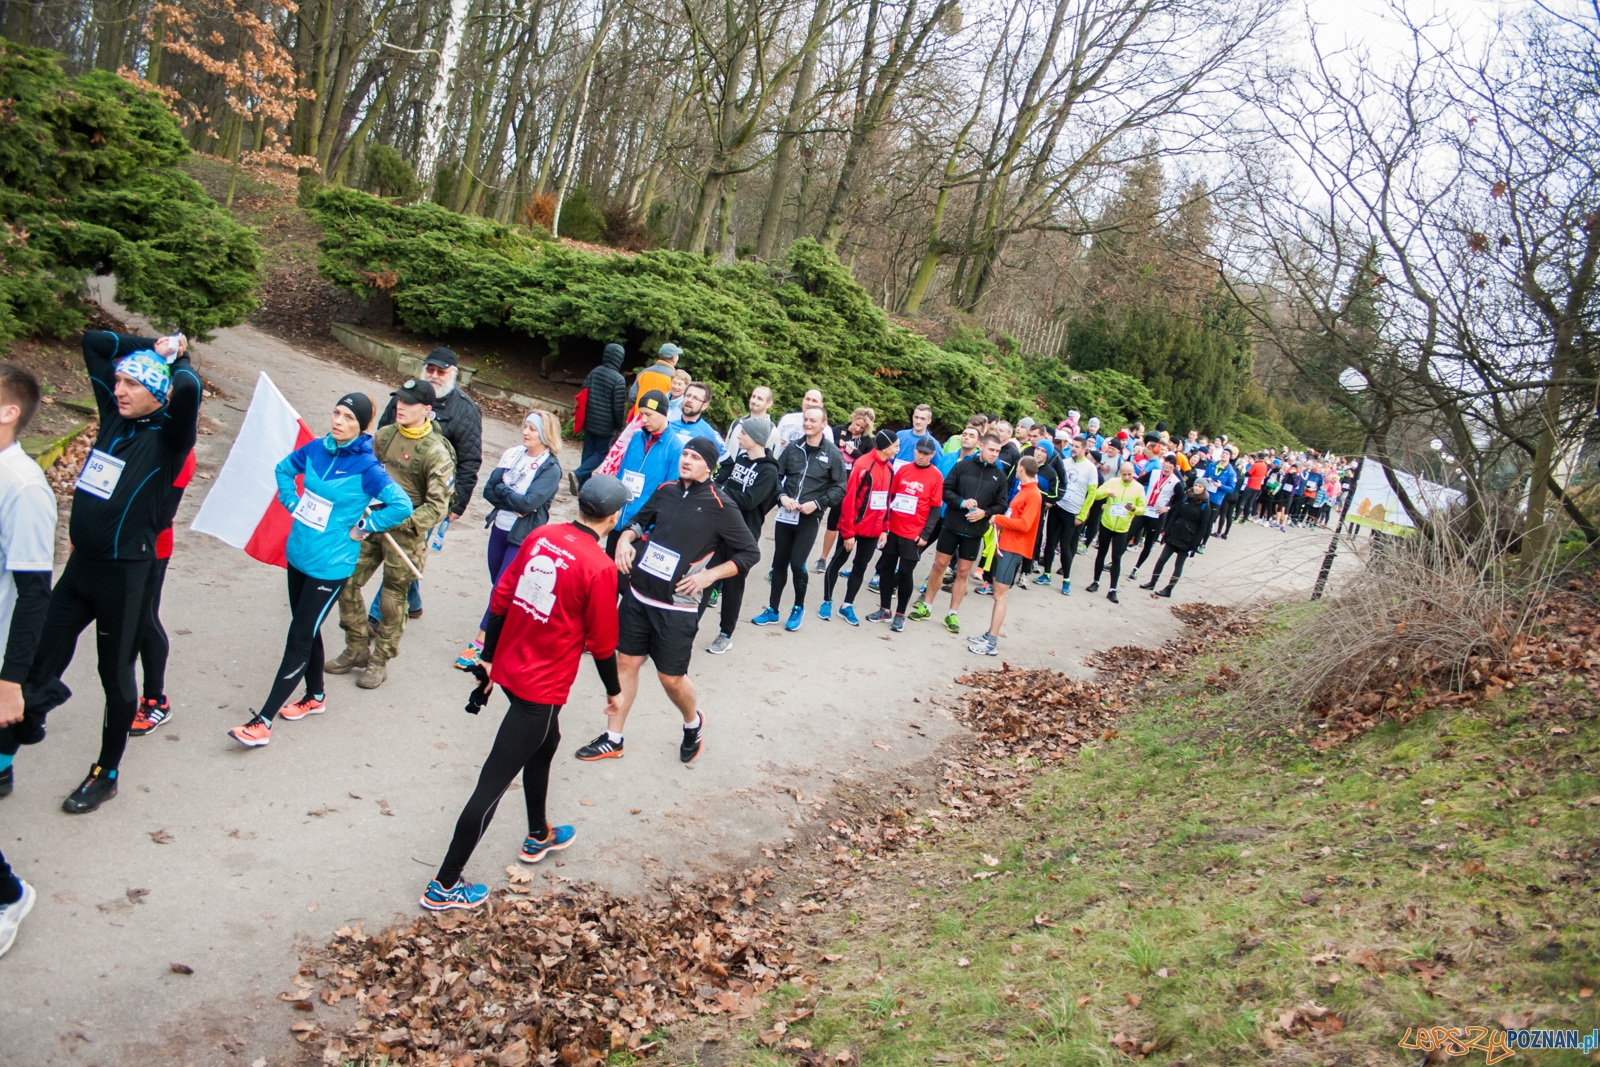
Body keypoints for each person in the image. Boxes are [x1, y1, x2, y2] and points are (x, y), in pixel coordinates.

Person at [421, 475, 631, 911]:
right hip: (541, 688)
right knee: (492, 785)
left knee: (546, 743)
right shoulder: (599, 567)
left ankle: (538, 835)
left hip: (513, 668)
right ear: (615, 517)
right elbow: (603, 644)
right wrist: (615, 693)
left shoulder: (542, 534)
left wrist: (490, 658)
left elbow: (500, 598)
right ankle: (444, 884)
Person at [24, 330, 196, 813]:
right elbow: (95, 343)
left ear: (156, 393)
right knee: (41, 655)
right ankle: (11, 744)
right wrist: (147, 342)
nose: (118, 389)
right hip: (82, 568)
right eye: (117, 381)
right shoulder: (112, 421)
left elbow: (188, 390)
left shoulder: (168, 439)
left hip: (126, 574)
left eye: (131, 384)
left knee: (114, 673)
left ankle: (106, 772)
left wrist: (175, 357)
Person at [227, 393, 416, 747]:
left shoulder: (367, 467)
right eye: (336, 413)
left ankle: (263, 721)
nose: (338, 421)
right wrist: (290, 500)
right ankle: (315, 696)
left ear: (361, 425)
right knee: (307, 628)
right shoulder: (316, 449)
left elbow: (401, 505)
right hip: (298, 554)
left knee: (299, 636)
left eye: (348, 417)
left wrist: (364, 527)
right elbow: (284, 470)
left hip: (330, 566)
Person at [576, 439, 760, 762]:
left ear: (710, 466)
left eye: (695, 457)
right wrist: (626, 541)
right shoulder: (666, 490)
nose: (686, 460)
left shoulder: (722, 505)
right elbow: (637, 521)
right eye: (685, 454)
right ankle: (613, 737)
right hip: (638, 595)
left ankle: (693, 723)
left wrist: (708, 576)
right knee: (625, 662)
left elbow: (750, 553)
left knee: (670, 678)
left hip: (676, 606)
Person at [331, 378, 456, 689]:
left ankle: (379, 660)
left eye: (409, 402)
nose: (400, 406)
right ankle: (357, 647)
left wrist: (400, 521)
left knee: (392, 600)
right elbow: (362, 472)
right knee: (345, 581)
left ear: (427, 410)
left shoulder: (437, 453)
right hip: (372, 524)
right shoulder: (384, 436)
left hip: (405, 534)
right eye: (399, 399)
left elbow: (438, 506)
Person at [0, 365, 55, 950]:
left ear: (8, 411)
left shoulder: (23, 487)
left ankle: (9, 896)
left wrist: (12, 681)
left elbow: (35, 593)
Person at [376, 347, 482, 619]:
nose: (434, 375)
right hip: (390, 490)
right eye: (430, 369)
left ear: (454, 374)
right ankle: (413, 602)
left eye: (441, 371)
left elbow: (469, 461)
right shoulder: (405, 397)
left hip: (428, 500)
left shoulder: (466, 410)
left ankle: (375, 617)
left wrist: (456, 504)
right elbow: (382, 435)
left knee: (401, 556)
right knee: (406, 554)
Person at [454, 410, 563, 670]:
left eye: (532, 429)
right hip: (500, 527)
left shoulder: (551, 468)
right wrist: (508, 495)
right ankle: (519, 630)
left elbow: (530, 502)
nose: (525, 432)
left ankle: (480, 645)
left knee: (501, 587)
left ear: (546, 435)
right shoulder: (513, 454)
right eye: (525, 426)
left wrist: (505, 492)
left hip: (523, 535)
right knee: (502, 584)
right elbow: (489, 490)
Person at [753, 407, 846, 632]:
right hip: (786, 514)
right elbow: (777, 476)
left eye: (813, 420)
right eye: (805, 419)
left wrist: (817, 503)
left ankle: (798, 607)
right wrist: (782, 496)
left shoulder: (832, 453)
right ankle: (773, 610)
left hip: (809, 516)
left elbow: (841, 487)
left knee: (797, 563)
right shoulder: (793, 448)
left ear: (824, 424)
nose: (807, 423)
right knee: (778, 563)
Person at [127, 447, 195, 736]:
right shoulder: (136, 434)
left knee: (144, 619)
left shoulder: (180, 452)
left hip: (150, 546)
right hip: (115, 541)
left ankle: (156, 700)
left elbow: (162, 511)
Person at [910, 433, 1006, 634]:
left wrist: (985, 513)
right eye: (991, 450)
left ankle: (952, 613)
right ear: (981, 447)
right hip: (951, 525)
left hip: (974, 532)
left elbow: (1001, 505)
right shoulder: (963, 466)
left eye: (997, 451)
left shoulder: (1000, 475)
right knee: (939, 565)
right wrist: (961, 502)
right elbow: (946, 490)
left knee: (962, 573)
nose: (994, 455)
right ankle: (926, 606)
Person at [706, 417, 779, 654]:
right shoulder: (741, 458)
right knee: (705, 577)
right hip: (720, 529)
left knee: (733, 586)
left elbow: (750, 501)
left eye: (743, 434)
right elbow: (731, 487)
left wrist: (720, 491)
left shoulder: (769, 470)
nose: (738, 437)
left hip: (743, 537)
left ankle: (725, 634)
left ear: (755, 438)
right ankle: (687, 628)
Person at [820, 428, 896, 626]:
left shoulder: (889, 469)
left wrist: (884, 528)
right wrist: (847, 533)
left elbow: (887, 501)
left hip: (873, 530)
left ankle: (847, 605)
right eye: (895, 446)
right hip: (852, 528)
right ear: (886, 446)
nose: (897, 450)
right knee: (837, 562)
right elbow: (849, 499)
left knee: (860, 567)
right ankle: (826, 601)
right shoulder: (863, 464)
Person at [866, 435, 943, 630]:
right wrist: (885, 525)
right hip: (894, 528)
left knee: (906, 573)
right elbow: (890, 496)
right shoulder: (904, 470)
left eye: (926, 454)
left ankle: (900, 613)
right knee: (886, 569)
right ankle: (884, 609)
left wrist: (925, 534)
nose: (921, 456)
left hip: (914, 533)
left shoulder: (935, 476)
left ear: (932, 455)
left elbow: (935, 509)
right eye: (919, 452)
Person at [969, 456, 1040, 656]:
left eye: (1018, 468)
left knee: (999, 595)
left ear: (1022, 469)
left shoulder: (1033, 494)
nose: (1016, 470)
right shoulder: (1025, 491)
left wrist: (998, 518)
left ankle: (992, 642)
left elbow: (1025, 525)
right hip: (1006, 545)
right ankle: (989, 635)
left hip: (1014, 548)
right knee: (997, 594)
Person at [614, 390, 690, 539]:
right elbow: (621, 472)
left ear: (663, 413)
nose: (643, 419)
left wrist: (652, 528)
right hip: (617, 518)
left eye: (648, 414)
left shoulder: (676, 448)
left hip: (642, 527)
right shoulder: (636, 438)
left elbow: (671, 493)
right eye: (641, 414)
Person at [1034, 433, 1095, 592]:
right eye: (1072, 446)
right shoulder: (1065, 463)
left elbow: (1092, 493)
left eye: (1077, 447)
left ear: (1085, 449)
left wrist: (1082, 515)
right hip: (1057, 507)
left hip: (1073, 512)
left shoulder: (1090, 468)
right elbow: (1056, 483)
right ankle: (1046, 574)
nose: (1073, 449)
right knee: (1050, 542)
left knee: (1065, 546)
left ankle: (1066, 580)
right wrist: (1051, 501)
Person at [1078, 461, 1145, 604]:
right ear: (1120, 473)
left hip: (1122, 528)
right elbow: (1096, 494)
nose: (1127, 477)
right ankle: (1095, 582)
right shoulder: (1113, 482)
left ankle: (1112, 589)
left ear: (1134, 472)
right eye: (1124, 474)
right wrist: (1106, 492)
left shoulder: (1138, 488)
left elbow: (1142, 508)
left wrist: (1133, 509)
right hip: (1107, 523)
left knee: (1116, 558)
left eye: (1129, 474)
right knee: (1101, 553)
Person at [817, 407, 874, 574]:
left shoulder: (867, 441)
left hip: (850, 484)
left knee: (838, 520)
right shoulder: (838, 430)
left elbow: (868, 461)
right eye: (856, 424)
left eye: (862, 428)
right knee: (826, 519)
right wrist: (838, 444)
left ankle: (833, 559)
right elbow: (825, 446)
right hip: (829, 479)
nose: (857, 429)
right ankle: (822, 557)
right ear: (853, 418)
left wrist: (854, 452)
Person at [573, 343, 628, 491]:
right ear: (620, 359)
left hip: (589, 420)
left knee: (588, 452)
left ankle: (581, 487)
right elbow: (618, 406)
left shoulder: (595, 371)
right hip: (606, 425)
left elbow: (583, 390)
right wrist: (618, 426)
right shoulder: (619, 380)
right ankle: (578, 474)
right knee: (601, 453)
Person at [1139, 485, 1209, 597]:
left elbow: (1203, 527)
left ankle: (1169, 589)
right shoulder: (1187, 498)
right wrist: (1166, 532)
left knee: (1178, 565)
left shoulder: (1205, 505)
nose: (1197, 488)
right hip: (1175, 534)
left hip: (1188, 539)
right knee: (1162, 559)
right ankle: (1152, 582)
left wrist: (1195, 546)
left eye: (1200, 486)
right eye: (1196, 485)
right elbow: (1174, 515)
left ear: (1204, 489)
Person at [1127, 454, 1180, 583]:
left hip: (1157, 515)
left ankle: (1136, 568)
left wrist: (1168, 508)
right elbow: (1139, 482)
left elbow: (1181, 500)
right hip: (1144, 511)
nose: (1167, 465)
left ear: (1174, 466)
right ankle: (1114, 561)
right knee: (1128, 534)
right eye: (1166, 462)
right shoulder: (1154, 473)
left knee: (1148, 544)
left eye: (1170, 464)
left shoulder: (1175, 481)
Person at [669, 381, 726, 457]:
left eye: (695, 398)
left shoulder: (709, 433)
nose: (689, 400)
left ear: (704, 406)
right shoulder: (669, 425)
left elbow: (727, 463)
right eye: (688, 395)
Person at [627, 342, 681, 414]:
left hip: (640, 419)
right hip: (661, 422)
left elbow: (632, 397)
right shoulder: (675, 378)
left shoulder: (643, 373)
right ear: (674, 358)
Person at [727, 386, 780, 456]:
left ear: (769, 404)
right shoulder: (736, 423)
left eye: (759, 399)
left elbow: (772, 461)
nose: (754, 401)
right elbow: (725, 450)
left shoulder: (771, 431)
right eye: (753, 396)